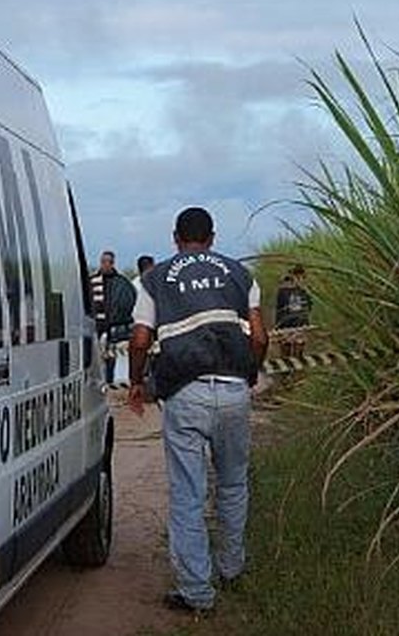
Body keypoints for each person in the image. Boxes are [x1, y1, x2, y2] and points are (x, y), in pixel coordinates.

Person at [128, 208, 269, 614]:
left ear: (176, 237)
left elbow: (139, 339)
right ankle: (231, 569)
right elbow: (259, 335)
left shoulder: (154, 278)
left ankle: (196, 593)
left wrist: (137, 382)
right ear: (212, 237)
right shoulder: (239, 274)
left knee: (188, 494)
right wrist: (250, 374)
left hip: (185, 394)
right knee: (232, 483)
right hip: (234, 390)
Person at [90, 251, 136, 388]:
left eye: (107, 262)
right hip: (96, 325)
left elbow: (129, 301)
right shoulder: (92, 282)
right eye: (102, 261)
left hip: (115, 327)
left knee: (111, 355)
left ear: (112, 263)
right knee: (96, 356)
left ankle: (109, 381)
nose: (104, 264)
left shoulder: (122, 283)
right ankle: (97, 382)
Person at [274, 266, 313, 358]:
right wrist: (278, 325)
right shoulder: (283, 291)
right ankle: (286, 370)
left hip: (301, 324)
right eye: (297, 276)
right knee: (286, 350)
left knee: (298, 351)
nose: (299, 279)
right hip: (286, 324)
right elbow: (279, 308)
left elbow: (309, 307)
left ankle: (296, 370)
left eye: (302, 277)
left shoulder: (305, 291)